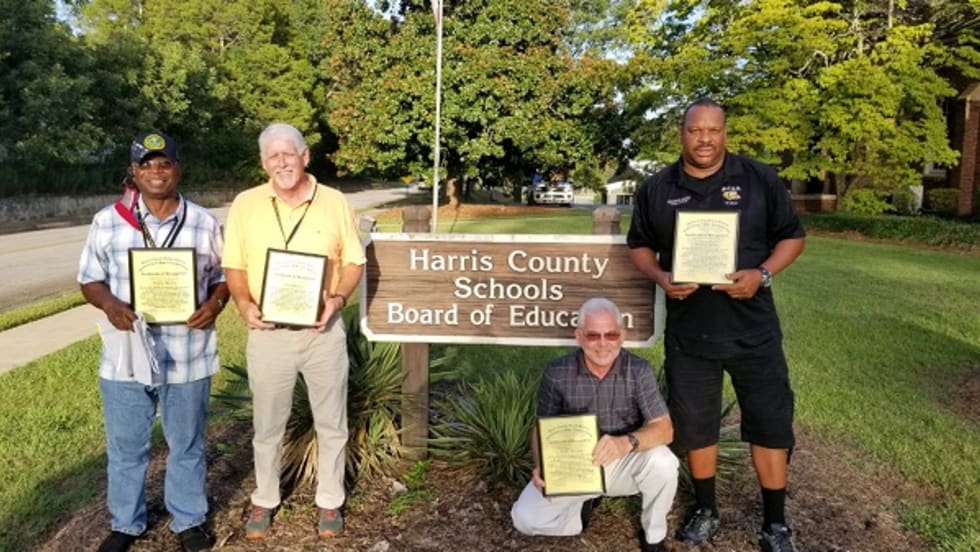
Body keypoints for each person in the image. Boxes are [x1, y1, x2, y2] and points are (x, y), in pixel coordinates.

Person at [626, 98, 806, 552]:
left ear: (725, 132)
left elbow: (793, 237)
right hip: (690, 334)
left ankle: (775, 523)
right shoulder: (657, 188)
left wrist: (761, 274)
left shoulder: (759, 179)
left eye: (713, 130)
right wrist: (661, 277)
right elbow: (639, 246)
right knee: (696, 426)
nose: (704, 139)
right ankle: (706, 510)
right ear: (681, 133)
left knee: (769, 423)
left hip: (753, 330)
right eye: (695, 130)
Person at [78, 131, 228, 552]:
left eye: (164, 163)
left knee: (187, 443)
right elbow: (89, 279)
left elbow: (223, 276)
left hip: (188, 353)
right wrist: (110, 305)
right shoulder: (108, 221)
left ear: (178, 169)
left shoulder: (203, 221)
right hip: (126, 355)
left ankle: (189, 519)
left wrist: (215, 303)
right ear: (134, 171)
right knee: (126, 447)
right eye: (146, 165)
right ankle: (126, 523)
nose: (156, 172)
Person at [222, 122, 366, 540]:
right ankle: (265, 498)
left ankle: (330, 500)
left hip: (322, 332)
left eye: (288, 153)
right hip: (269, 334)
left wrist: (337, 299)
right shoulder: (246, 204)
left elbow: (354, 262)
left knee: (332, 422)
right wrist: (243, 303)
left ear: (305, 156)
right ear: (263, 162)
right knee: (267, 426)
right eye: (273, 156)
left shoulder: (334, 201)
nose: (281, 162)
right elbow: (235, 265)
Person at [511, 297, 679, 552]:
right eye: (593, 336)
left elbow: (664, 428)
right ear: (579, 336)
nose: (603, 344)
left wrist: (626, 443)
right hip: (574, 464)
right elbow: (540, 429)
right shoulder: (557, 372)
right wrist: (541, 464)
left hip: (622, 459)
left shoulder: (638, 370)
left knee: (664, 462)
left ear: (622, 336)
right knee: (525, 519)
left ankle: (653, 536)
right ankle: (579, 514)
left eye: (611, 335)